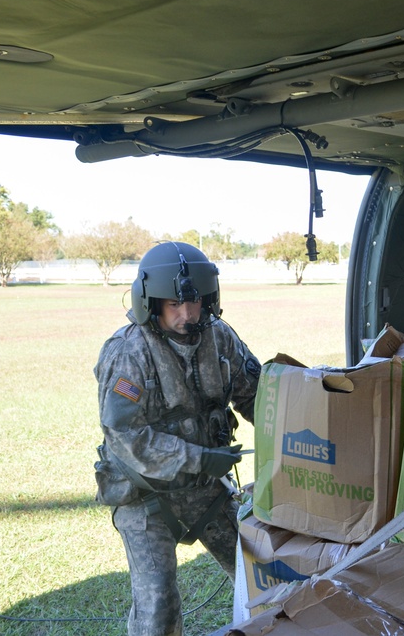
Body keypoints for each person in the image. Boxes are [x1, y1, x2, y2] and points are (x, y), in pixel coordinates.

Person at [93, 241, 261, 636]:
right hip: (146, 498)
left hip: (206, 490)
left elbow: (256, 396)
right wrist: (200, 458)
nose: (188, 314)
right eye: (174, 305)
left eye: (196, 302)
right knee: (157, 612)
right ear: (150, 303)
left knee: (260, 577)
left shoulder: (220, 338)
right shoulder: (128, 352)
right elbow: (125, 436)